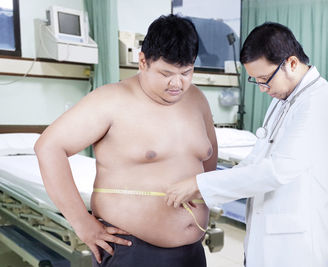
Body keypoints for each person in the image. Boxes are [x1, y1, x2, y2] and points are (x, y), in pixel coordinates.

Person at [35, 14, 217, 267]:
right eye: (166, 73)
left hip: (192, 250)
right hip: (133, 251)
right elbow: (48, 146)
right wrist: (81, 222)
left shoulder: (197, 99)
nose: (178, 83)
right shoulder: (111, 99)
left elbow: (207, 161)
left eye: (186, 72)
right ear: (142, 61)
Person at [165, 22, 328, 267]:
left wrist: (200, 185)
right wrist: (205, 189)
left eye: (264, 79)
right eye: (256, 81)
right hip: (266, 238)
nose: (262, 89)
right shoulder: (284, 98)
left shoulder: (320, 101)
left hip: (295, 249)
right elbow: (256, 160)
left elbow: (276, 170)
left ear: (291, 63)